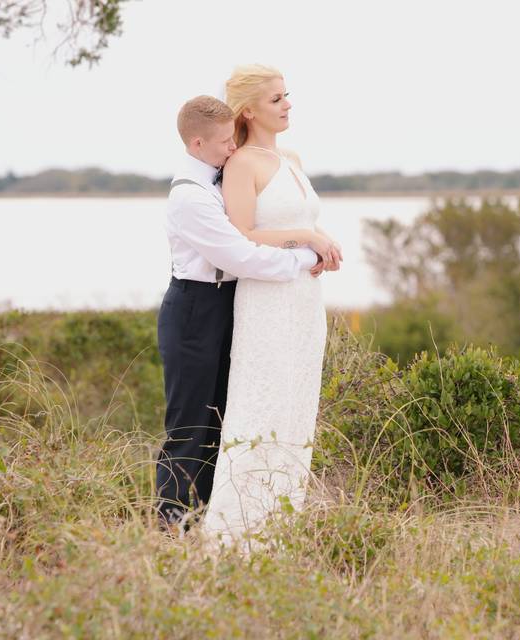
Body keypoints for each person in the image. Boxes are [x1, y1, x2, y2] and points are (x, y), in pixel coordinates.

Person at [155, 95, 328, 532]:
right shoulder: (190, 198)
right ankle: (171, 530)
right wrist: (306, 259)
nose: (232, 148)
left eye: (234, 138)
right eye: (223, 142)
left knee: (221, 422)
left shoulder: (220, 176)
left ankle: (213, 521)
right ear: (196, 143)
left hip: (226, 304)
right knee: (189, 427)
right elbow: (242, 257)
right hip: (195, 308)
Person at [201, 65, 341, 549]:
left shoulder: (293, 157)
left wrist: (320, 244)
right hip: (265, 301)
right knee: (261, 405)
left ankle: (280, 530)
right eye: (276, 99)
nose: (287, 105)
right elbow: (240, 236)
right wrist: (304, 236)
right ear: (249, 111)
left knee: (297, 408)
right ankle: (234, 538)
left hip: (304, 300)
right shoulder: (241, 164)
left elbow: (299, 220)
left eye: (287, 96)